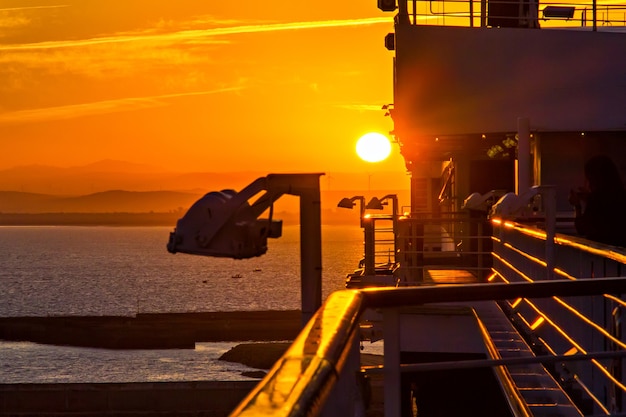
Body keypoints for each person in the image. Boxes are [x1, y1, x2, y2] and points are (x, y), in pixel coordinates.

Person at [568, 155, 626, 246]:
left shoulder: (596, 199)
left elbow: (582, 229)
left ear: (594, 178)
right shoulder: (620, 196)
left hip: (600, 252)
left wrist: (577, 205)